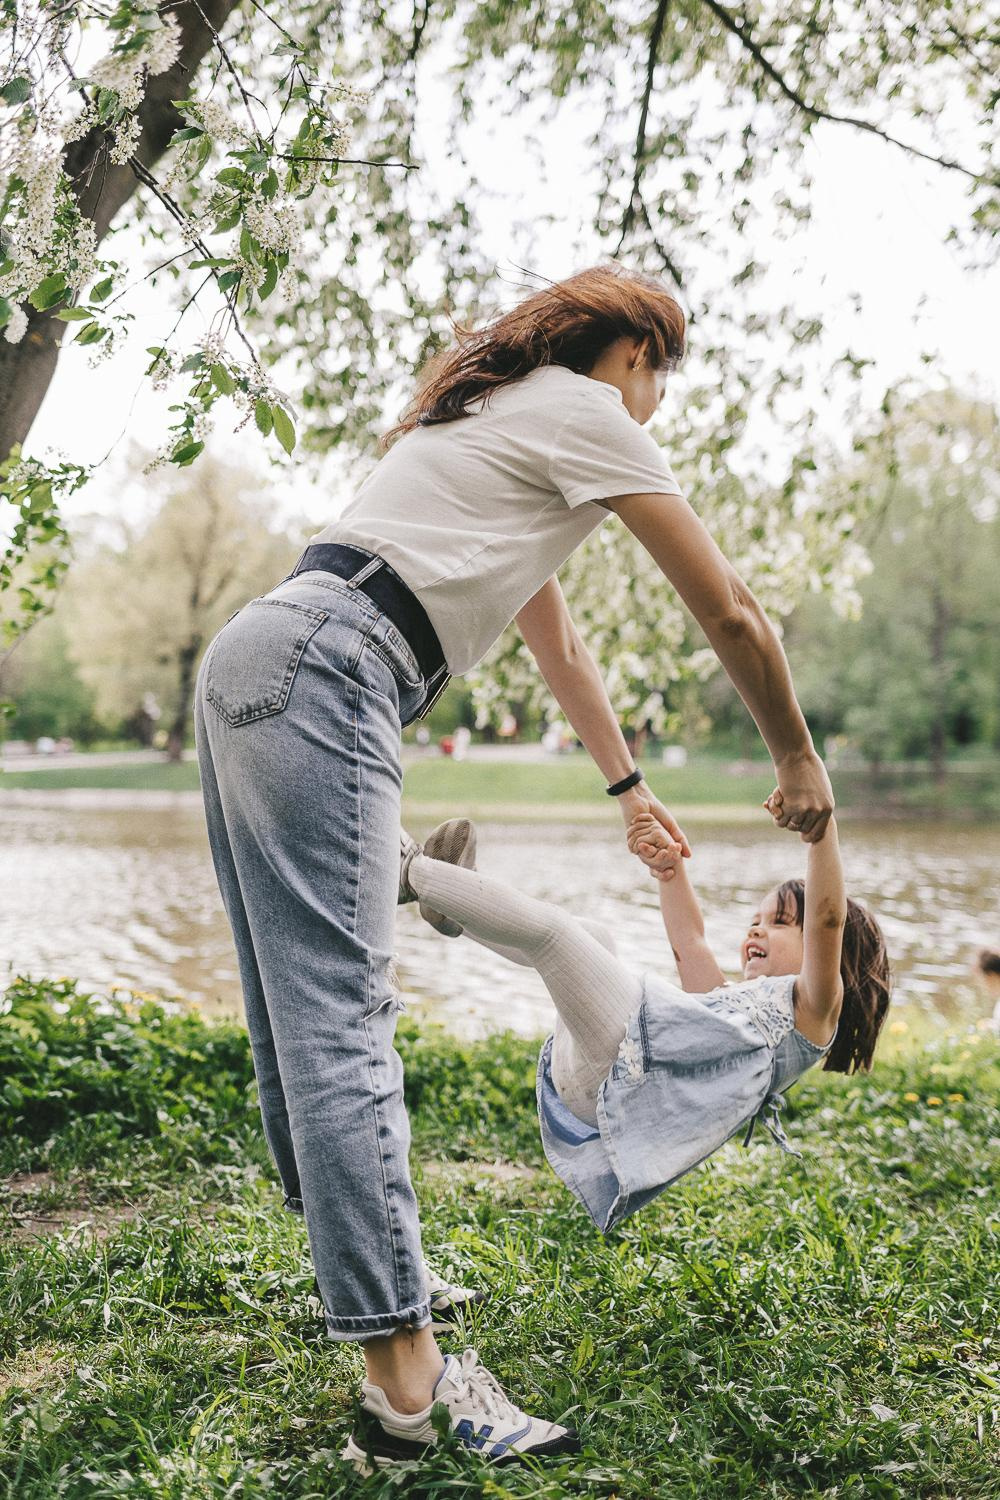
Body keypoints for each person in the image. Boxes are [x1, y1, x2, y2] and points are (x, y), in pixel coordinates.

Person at [192, 261, 835, 1475]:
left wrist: (626, 787)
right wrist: (795, 756)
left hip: (259, 653)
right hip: (339, 664)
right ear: (638, 357)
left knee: (293, 1024)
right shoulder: (588, 413)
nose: (653, 410)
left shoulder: (494, 417)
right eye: (661, 381)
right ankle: (411, 1384)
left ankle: (380, 1280)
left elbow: (562, 641)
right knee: (338, 1027)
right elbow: (731, 611)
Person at [398, 809, 891, 1235]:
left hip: (623, 1080)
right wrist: (672, 872)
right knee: (592, 936)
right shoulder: (724, 1014)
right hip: (600, 1072)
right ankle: (456, 899)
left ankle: (409, 869)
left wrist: (820, 831)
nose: (757, 928)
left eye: (781, 923)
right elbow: (692, 942)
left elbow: (829, 919)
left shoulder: (813, 1009)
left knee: (560, 937)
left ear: (829, 958)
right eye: (756, 920)